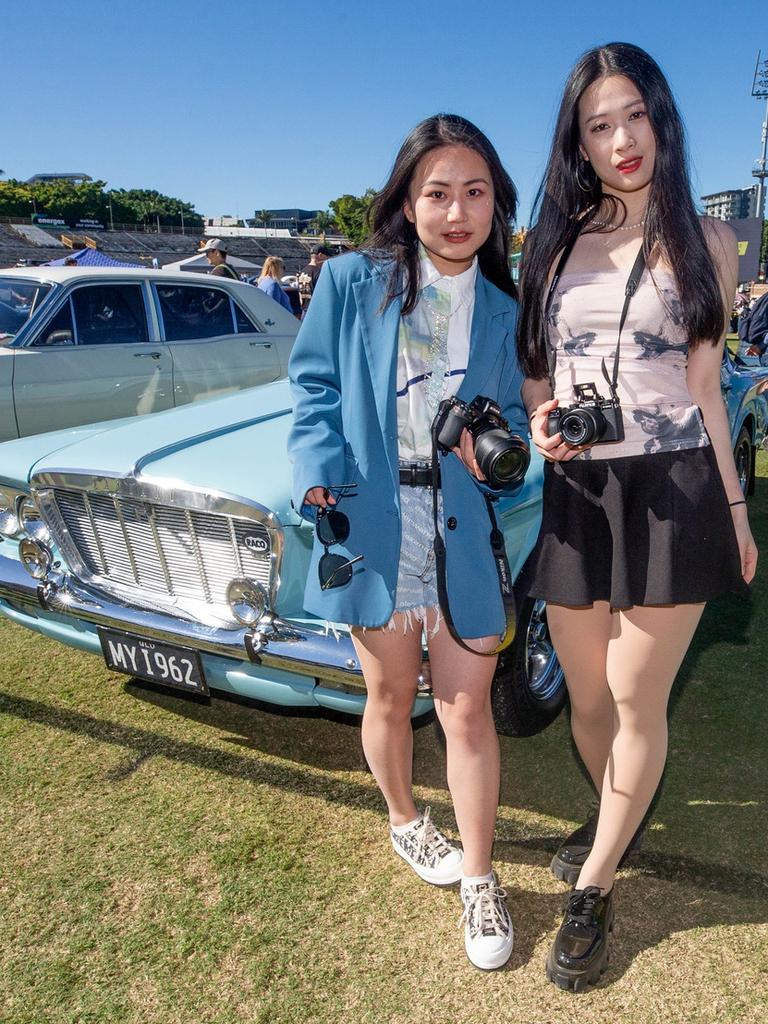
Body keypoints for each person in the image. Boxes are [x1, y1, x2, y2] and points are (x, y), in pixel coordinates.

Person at [517, 42, 757, 992]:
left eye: (635, 116)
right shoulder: (552, 242)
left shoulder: (711, 241)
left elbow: (708, 386)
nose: (621, 139)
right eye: (598, 124)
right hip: (581, 490)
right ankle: (615, 817)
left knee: (630, 696)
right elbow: (539, 367)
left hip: (676, 487)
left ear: (663, 117)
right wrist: (542, 415)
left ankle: (597, 884)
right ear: (577, 142)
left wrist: (736, 513)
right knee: (583, 700)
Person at [288, 114, 527, 971]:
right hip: (373, 519)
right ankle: (403, 822)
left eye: (475, 192)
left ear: (498, 205)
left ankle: (481, 879)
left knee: (466, 710)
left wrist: (503, 448)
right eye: (437, 193)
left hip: (461, 522)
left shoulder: (505, 306)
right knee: (390, 696)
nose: (456, 211)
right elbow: (313, 385)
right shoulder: (354, 280)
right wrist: (316, 463)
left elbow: (517, 425)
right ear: (408, 201)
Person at [297, 244, 331, 315]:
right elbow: (324, 295)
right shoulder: (320, 272)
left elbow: (300, 294)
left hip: (304, 311)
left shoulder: (302, 272)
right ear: (320, 255)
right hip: (316, 312)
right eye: (327, 257)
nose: (327, 260)